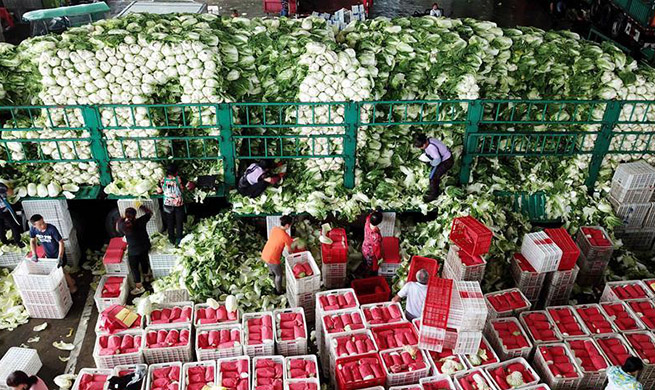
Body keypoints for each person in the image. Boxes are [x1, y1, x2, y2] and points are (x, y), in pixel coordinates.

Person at [29, 214, 77, 293]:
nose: (43, 225)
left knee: (62, 271)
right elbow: (32, 241)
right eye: (40, 224)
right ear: (34, 226)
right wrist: (34, 253)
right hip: (49, 255)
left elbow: (61, 243)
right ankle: (71, 281)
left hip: (58, 254)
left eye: (43, 222)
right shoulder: (33, 230)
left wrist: (60, 257)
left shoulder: (51, 229)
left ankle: (72, 286)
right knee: (57, 271)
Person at [116, 206, 152, 296]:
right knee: (144, 261)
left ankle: (139, 287)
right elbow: (149, 213)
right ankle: (147, 278)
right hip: (144, 246)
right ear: (135, 215)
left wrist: (123, 218)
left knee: (134, 267)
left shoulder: (122, 225)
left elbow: (117, 228)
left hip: (134, 250)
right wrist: (141, 206)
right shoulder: (141, 221)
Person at [414, 133, 453, 202]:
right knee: (433, 173)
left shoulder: (431, 147)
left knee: (433, 177)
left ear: (424, 144)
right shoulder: (430, 140)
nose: (421, 148)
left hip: (446, 161)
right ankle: (434, 190)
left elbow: (437, 160)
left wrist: (431, 164)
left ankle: (433, 195)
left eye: (421, 147)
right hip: (446, 155)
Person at [156, 164, 188, 246]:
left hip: (167, 204)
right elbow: (187, 186)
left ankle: (171, 238)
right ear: (176, 172)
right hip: (178, 204)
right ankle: (179, 238)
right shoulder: (179, 179)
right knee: (179, 221)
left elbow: (159, 191)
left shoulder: (162, 180)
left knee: (170, 221)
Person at [261, 215, 294, 294]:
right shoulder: (286, 237)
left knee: (272, 272)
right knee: (279, 275)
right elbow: (290, 251)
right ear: (287, 225)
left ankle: (273, 285)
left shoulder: (275, 229)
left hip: (265, 254)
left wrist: (291, 240)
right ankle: (278, 291)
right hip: (273, 259)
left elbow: (278, 239)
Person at [0, 181, 24, 247]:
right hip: (3, 210)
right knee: (13, 225)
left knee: (1, 227)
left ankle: (4, 242)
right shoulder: (0, 186)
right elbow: (10, 193)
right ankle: (18, 241)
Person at [361, 209, 383, 276]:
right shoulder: (376, 236)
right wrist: (380, 257)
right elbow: (377, 248)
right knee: (369, 264)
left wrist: (373, 212)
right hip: (370, 252)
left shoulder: (368, 222)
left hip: (364, 246)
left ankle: (365, 267)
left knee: (365, 259)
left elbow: (369, 216)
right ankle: (367, 274)